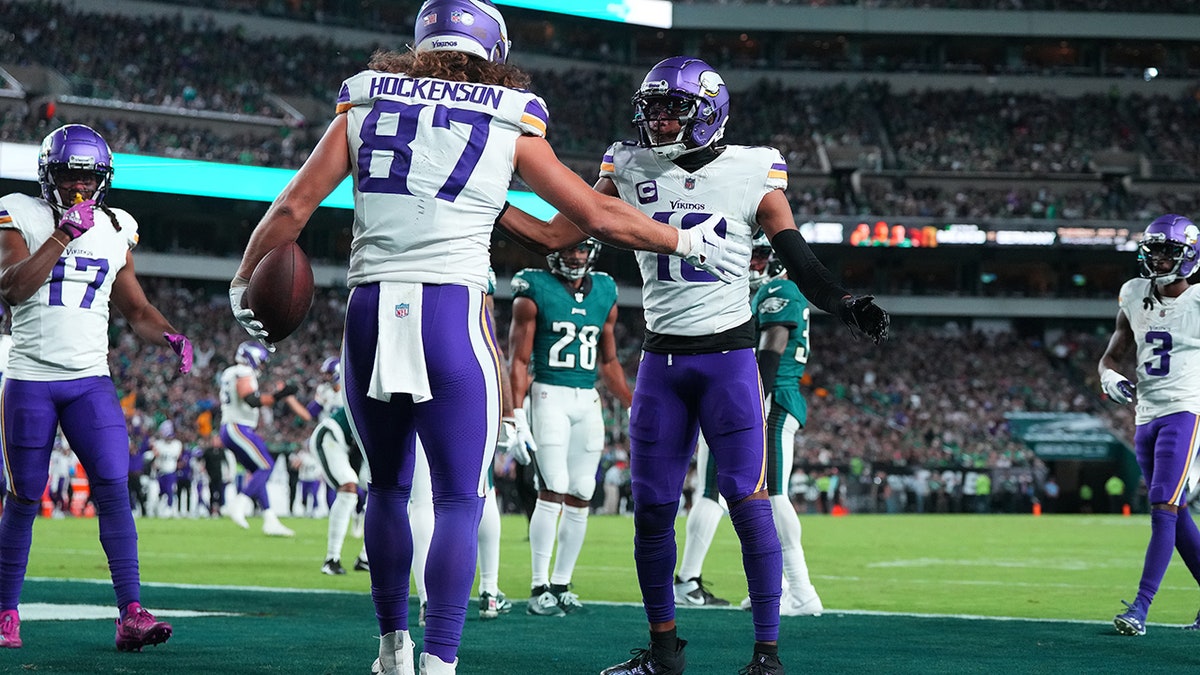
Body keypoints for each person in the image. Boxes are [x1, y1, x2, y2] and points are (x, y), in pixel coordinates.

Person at [227, 3, 750, 673]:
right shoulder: (508, 110)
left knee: (384, 489)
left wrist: (245, 281)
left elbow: (292, 208)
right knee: (458, 500)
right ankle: (440, 662)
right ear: (492, 48)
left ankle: (391, 650)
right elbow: (591, 214)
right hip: (452, 313)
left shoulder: (365, 96)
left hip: (370, 306)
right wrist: (682, 237)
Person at [510, 56, 889, 675]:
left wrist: (844, 300)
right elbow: (556, 236)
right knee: (653, 508)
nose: (657, 120)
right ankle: (664, 653)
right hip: (661, 359)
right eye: (652, 108)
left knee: (747, 499)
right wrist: (476, 203)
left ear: (707, 111)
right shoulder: (627, 167)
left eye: (672, 109)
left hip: (729, 358)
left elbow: (795, 256)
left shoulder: (750, 169)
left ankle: (766, 655)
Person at [0, 123, 191, 650]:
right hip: (32, 378)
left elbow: (136, 309)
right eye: (67, 177)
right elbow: (13, 288)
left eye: (88, 178)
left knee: (113, 486)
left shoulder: (115, 226)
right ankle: (4, 612)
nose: (78, 190)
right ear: (47, 176)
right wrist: (63, 233)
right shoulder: (22, 212)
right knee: (24, 495)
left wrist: (172, 336)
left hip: (89, 380)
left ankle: (130, 611)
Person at [673, 236, 824, 618]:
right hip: (755, 397)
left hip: (770, 401)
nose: (752, 265)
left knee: (772, 495)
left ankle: (801, 589)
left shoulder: (780, 288)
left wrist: (753, 406)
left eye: (759, 257)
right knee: (734, 492)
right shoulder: (766, 291)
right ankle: (785, 588)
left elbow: (773, 350)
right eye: (750, 257)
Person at [508, 239, 632, 616]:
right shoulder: (534, 290)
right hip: (548, 394)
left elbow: (608, 361)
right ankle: (538, 585)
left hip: (587, 397)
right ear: (554, 253)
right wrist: (515, 413)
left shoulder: (606, 290)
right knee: (554, 487)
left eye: (582, 250)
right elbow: (518, 360)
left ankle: (561, 584)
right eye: (569, 250)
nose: (576, 257)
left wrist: (634, 403)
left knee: (582, 489)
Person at [1098, 213, 1200, 636]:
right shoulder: (1133, 292)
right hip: (1146, 416)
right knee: (1173, 515)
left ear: (1189, 255)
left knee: (1163, 508)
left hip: (1186, 411)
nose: (1158, 259)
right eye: (1154, 250)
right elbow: (1112, 355)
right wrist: (1110, 378)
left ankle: (1140, 608)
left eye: (1168, 251)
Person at [217, 340, 310, 537]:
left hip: (233, 427)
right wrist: (279, 395)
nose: (261, 366)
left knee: (257, 471)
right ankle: (240, 502)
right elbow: (250, 399)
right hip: (238, 427)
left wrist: (278, 395)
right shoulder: (242, 372)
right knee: (266, 465)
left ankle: (269, 519)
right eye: (260, 361)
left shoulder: (230, 373)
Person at [311, 406, 370, 575]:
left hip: (353, 446)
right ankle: (331, 559)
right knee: (348, 489)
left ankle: (366, 557)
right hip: (332, 436)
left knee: (386, 493)